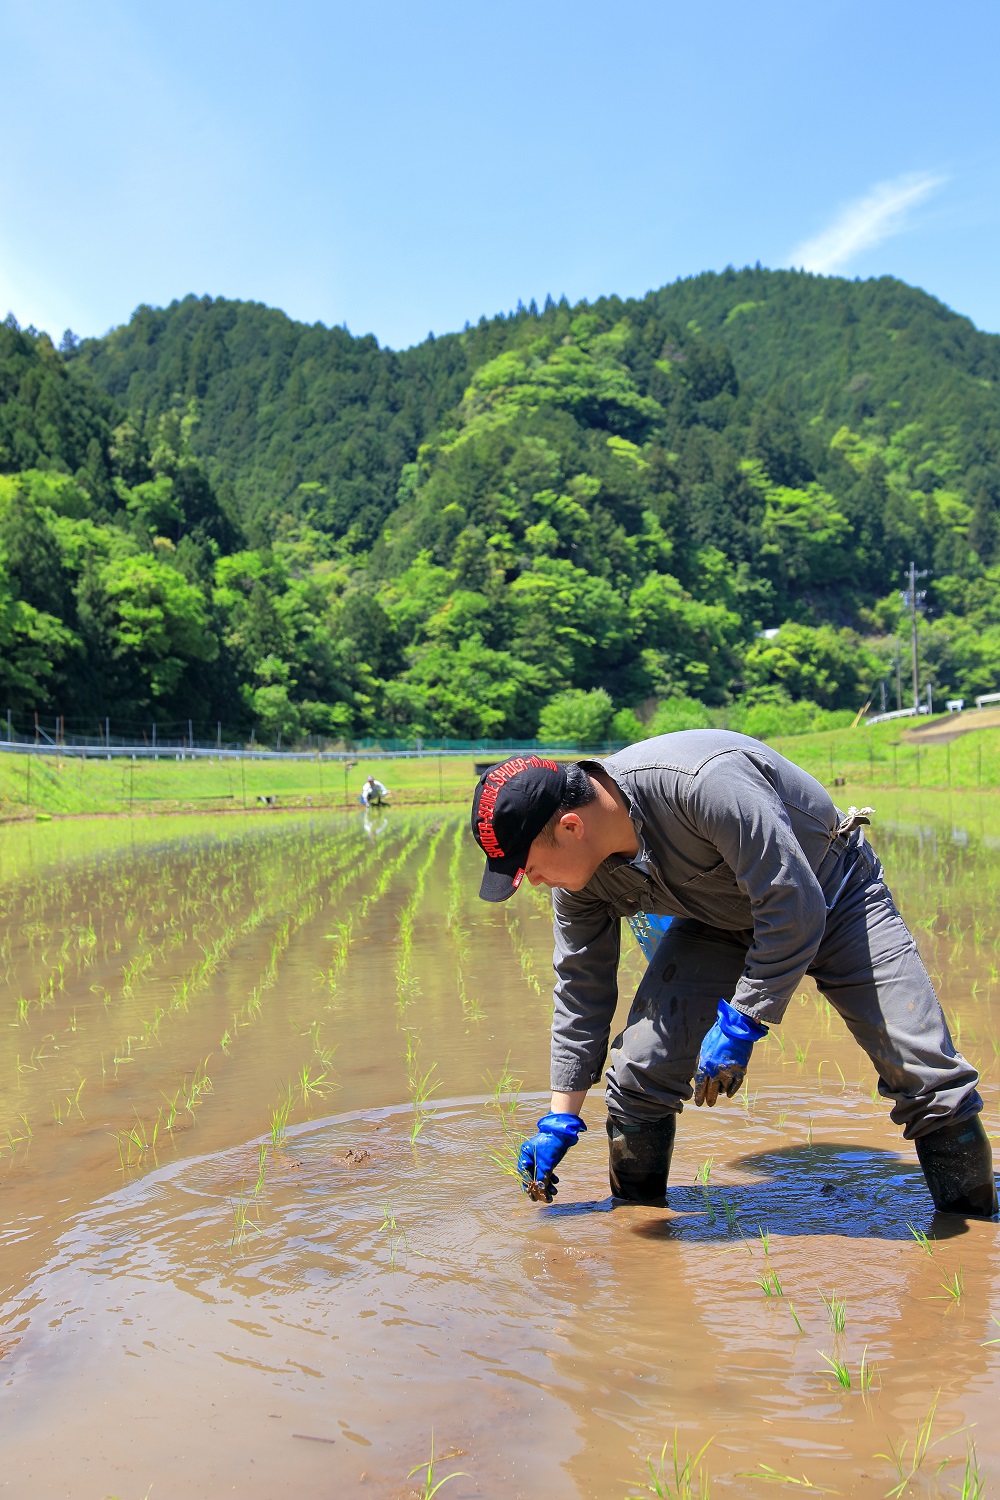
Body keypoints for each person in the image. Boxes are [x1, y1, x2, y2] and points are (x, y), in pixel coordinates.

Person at [470, 735, 998, 1218]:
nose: (532, 883)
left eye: (527, 868)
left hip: (833, 893)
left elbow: (793, 905)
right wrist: (560, 1116)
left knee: (926, 1075)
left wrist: (746, 1018)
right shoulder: (579, 883)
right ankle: (636, 1231)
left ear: (569, 827)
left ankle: (973, 1241)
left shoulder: (703, 783)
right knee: (638, 1073)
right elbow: (581, 990)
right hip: (718, 921)